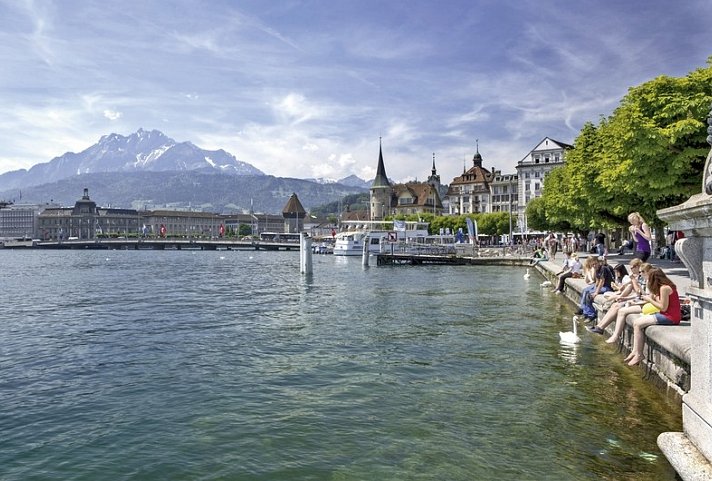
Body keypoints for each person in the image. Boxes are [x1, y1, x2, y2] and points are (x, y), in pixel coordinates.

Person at [625, 268, 681, 366]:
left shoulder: (664, 288)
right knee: (637, 322)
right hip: (666, 315)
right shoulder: (665, 287)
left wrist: (649, 299)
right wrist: (652, 297)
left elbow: (663, 308)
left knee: (637, 323)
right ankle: (635, 351)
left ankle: (639, 354)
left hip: (670, 317)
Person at [587, 259, 644, 336]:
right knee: (614, 304)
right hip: (632, 298)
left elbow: (639, 293)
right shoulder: (635, 277)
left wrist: (623, 296)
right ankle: (599, 326)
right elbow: (624, 288)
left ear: (637, 267)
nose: (630, 270)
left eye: (632, 267)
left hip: (637, 300)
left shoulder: (640, 278)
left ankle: (603, 328)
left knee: (616, 305)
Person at [579, 256, 614, 322]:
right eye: (593, 265)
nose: (594, 265)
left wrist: (596, 292)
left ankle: (591, 314)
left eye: (595, 264)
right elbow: (597, 280)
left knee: (589, 294)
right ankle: (584, 311)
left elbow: (602, 281)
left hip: (607, 287)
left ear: (598, 263)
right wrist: (594, 287)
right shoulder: (596, 269)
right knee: (585, 290)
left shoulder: (603, 268)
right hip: (602, 286)